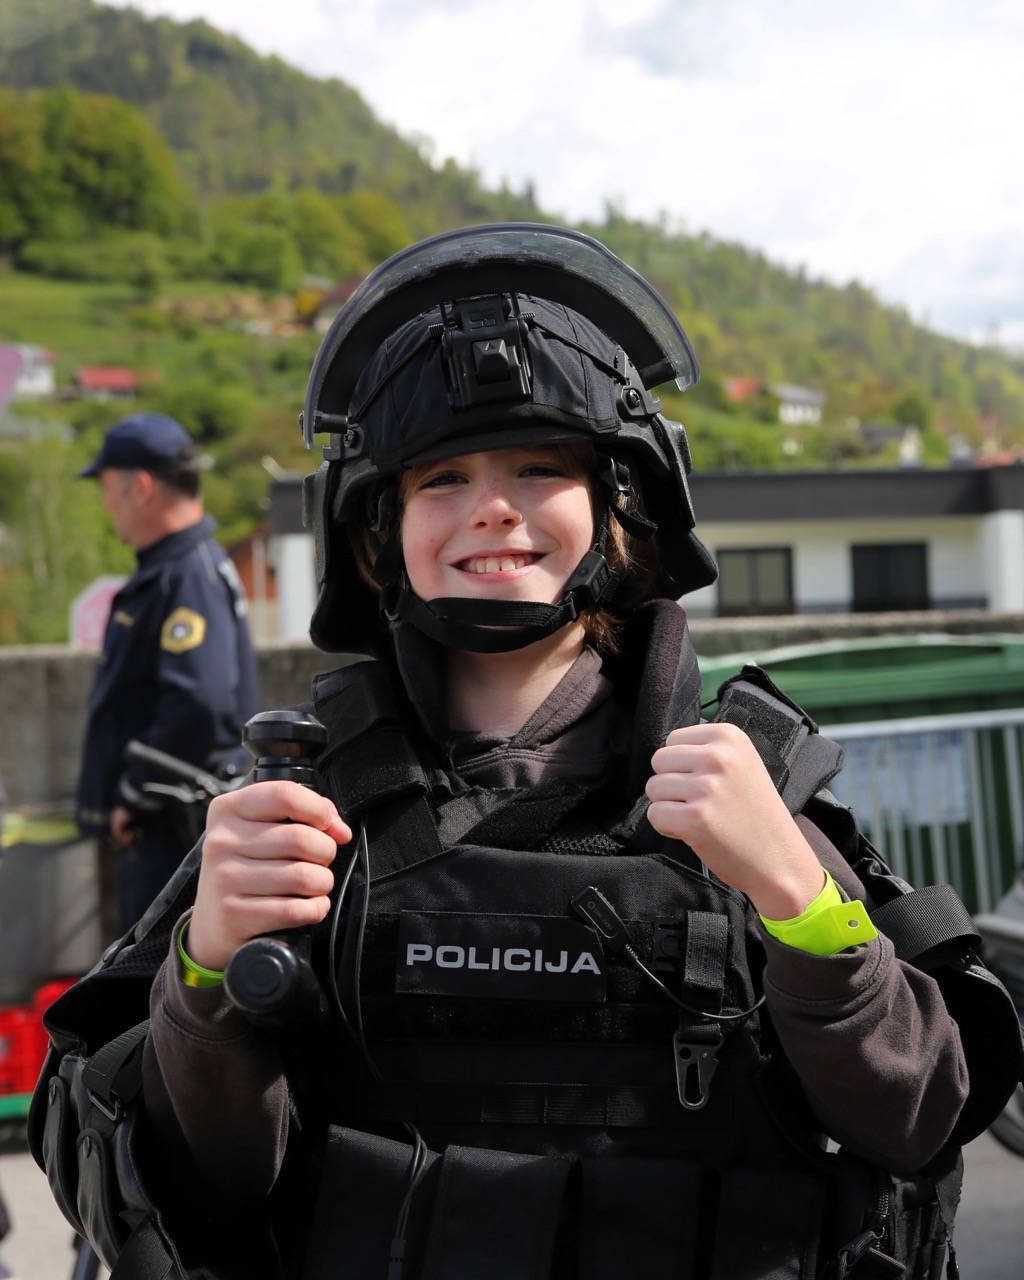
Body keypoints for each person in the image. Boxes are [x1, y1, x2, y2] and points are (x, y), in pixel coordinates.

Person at [31, 226, 1022, 1280]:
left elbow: (917, 1118)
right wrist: (206, 975)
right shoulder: (302, 816)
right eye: (443, 477)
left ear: (617, 504)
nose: (492, 507)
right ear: (379, 530)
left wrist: (798, 901)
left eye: (540, 465)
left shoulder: (750, 793)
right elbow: (197, 1188)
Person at [75, 412, 260, 934]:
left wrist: (137, 792)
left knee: (154, 972)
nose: (106, 504)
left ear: (141, 487)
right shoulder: (179, 569)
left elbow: (198, 699)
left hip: (171, 829)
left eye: (108, 489)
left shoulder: (187, 575)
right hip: (168, 825)